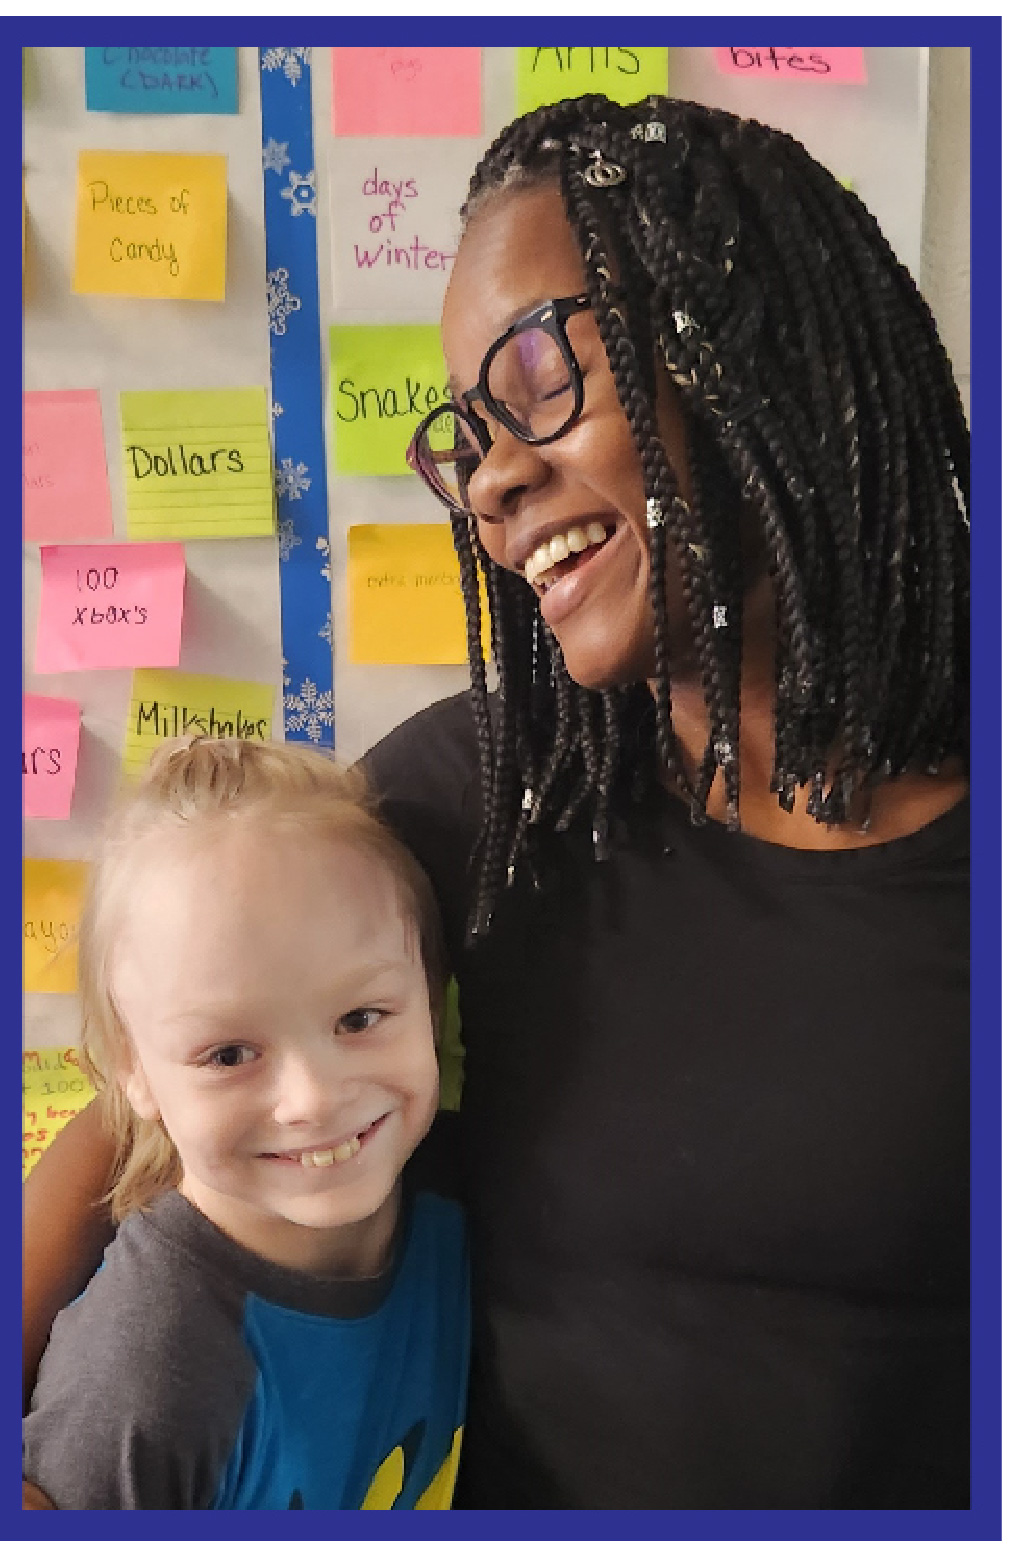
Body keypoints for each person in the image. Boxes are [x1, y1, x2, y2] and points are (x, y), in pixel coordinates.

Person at [24, 94, 968, 1510]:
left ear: (741, 342)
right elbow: (151, 1087)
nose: (494, 481)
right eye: (465, 432)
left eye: (539, 379)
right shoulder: (486, 792)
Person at [22, 739, 468, 1510]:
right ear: (132, 1071)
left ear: (430, 997)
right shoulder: (144, 1382)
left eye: (360, 1017)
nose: (312, 1099)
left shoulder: (454, 1214)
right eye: (228, 1053)